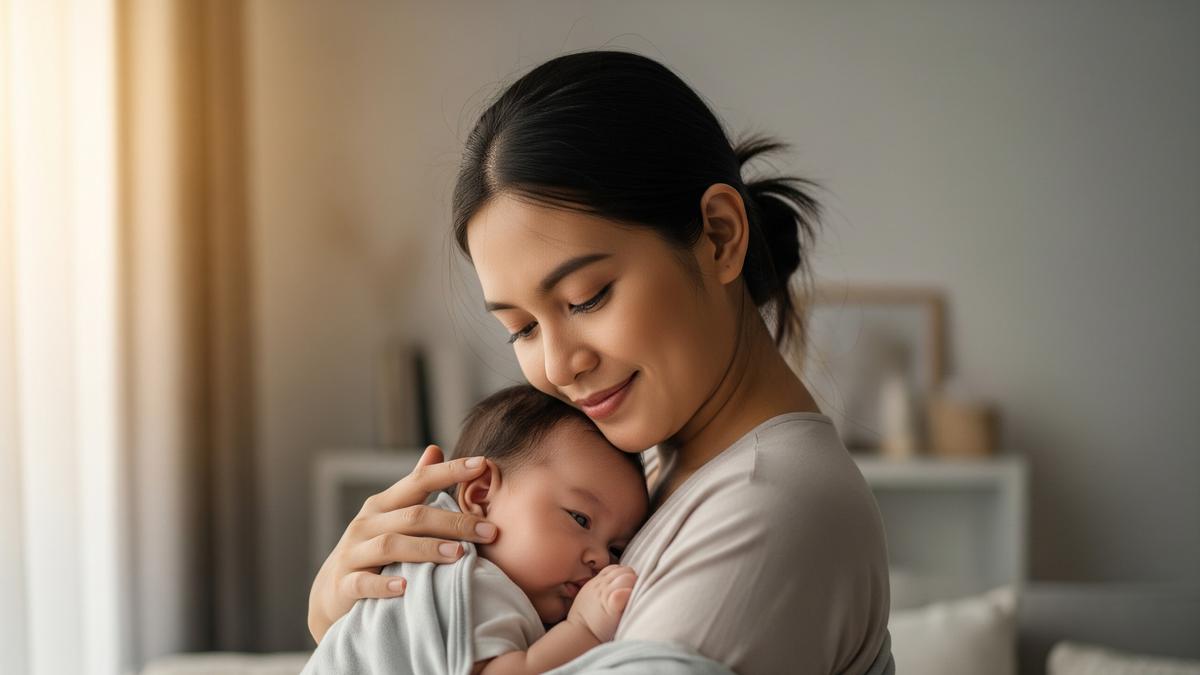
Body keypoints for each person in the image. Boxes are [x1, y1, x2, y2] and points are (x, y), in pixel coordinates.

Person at [307, 49, 894, 674]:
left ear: (719, 236)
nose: (559, 365)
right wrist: (349, 610)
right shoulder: (641, 465)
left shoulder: (772, 506)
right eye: (523, 328)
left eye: (587, 297)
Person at [304, 384, 711, 675]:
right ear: (480, 496)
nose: (601, 560)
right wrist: (583, 629)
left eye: (618, 549)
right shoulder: (470, 581)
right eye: (580, 519)